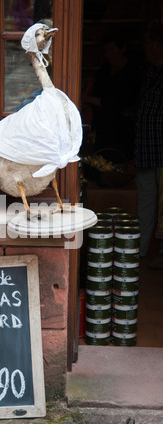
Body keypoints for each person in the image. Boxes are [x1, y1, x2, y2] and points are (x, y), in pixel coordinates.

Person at [83, 32, 140, 162]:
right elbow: (96, 83)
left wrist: (90, 100)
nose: (108, 53)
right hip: (102, 122)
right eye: (106, 50)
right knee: (100, 157)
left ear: (122, 49)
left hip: (121, 125)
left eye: (112, 49)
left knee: (117, 158)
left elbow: (121, 101)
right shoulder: (107, 66)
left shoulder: (131, 71)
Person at [134, 20, 163, 264]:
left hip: (161, 152)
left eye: (150, 43)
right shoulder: (150, 72)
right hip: (146, 151)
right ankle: (141, 251)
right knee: (145, 205)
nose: (147, 48)